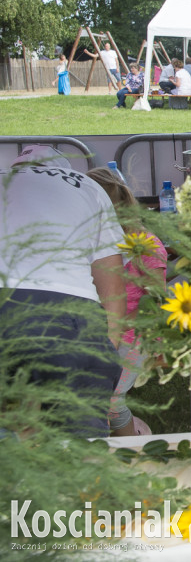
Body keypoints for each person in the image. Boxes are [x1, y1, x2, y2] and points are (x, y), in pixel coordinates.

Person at [0, 146, 125, 436]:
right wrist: (107, 350)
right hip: (66, 307)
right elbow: (113, 285)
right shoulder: (87, 186)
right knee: (79, 436)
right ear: (66, 169)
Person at [86, 167, 167, 437]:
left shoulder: (144, 245)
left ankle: (131, 458)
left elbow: (156, 303)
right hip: (101, 332)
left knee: (110, 402)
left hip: (136, 335)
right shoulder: (91, 242)